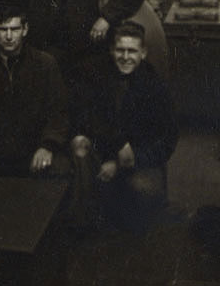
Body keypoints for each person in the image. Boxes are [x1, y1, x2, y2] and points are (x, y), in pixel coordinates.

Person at [71, 21, 178, 234]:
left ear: (143, 53)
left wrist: (123, 163)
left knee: (143, 194)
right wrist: (114, 148)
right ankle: (86, 222)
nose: (125, 57)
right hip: (105, 150)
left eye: (132, 51)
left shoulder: (156, 87)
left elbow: (167, 141)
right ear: (112, 50)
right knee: (80, 146)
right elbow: (88, 117)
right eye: (120, 50)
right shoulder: (96, 74)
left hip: (136, 159)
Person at [0, 7, 69, 177]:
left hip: (33, 155)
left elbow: (59, 113)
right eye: (2, 29)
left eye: (14, 29)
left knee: (60, 170)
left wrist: (47, 146)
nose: (9, 36)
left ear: (25, 29)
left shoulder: (45, 64)